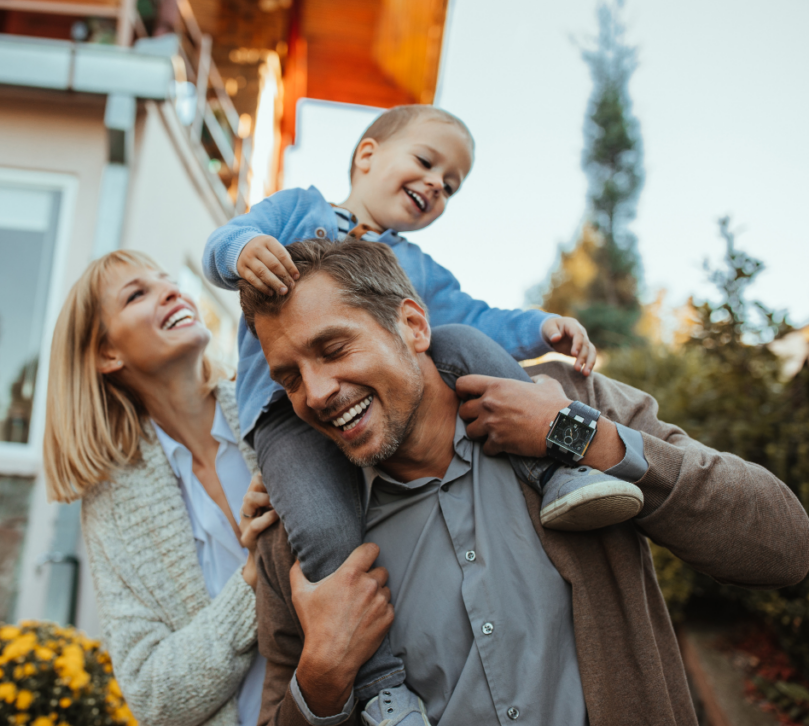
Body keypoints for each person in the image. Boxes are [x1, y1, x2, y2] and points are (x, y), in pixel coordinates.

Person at [239, 237, 809, 726]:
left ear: (412, 325)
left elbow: (783, 546)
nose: (315, 393)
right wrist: (322, 678)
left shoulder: (568, 402)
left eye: (334, 349)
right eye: (289, 378)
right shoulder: (297, 539)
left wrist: (582, 438)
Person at [203, 105, 643, 721]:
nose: (438, 184)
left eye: (452, 185)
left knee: (462, 341)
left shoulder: (419, 271)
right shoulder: (297, 207)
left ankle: (558, 471)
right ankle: (382, 685)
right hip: (286, 418)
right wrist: (244, 250)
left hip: (388, 394)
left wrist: (541, 326)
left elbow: (480, 317)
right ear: (367, 156)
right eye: (427, 161)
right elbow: (223, 240)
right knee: (326, 531)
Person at [42, 249, 279, 726]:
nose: (172, 291)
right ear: (108, 353)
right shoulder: (114, 504)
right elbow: (152, 696)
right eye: (137, 294)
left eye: (167, 280)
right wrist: (253, 577)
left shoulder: (272, 413)